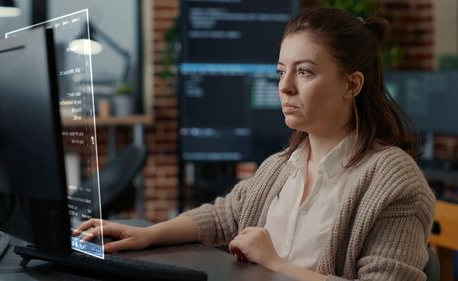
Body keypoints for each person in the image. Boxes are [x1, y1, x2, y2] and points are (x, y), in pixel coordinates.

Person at [74, 8, 435, 281]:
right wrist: (147, 234)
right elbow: (223, 215)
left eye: (305, 71)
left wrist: (274, 264)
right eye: (282, 72)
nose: (285, 86)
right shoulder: (283, 165)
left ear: (352, 85)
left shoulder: (394, 179)